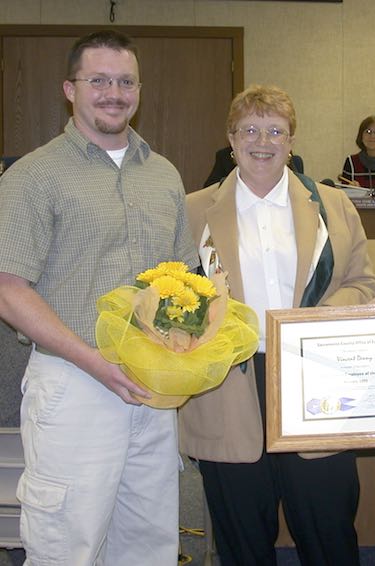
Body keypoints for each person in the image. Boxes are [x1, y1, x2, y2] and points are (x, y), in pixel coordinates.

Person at [0, 30, 199, 565]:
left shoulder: (163, 174)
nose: (114, 92)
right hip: (74, 384)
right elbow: (8, 290)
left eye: (126, 81)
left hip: (153, 388)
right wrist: (94, 362)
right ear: (70, 89)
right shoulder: (33, 176)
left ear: (139, 89)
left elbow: (184, 279)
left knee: (149, 540)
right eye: (99, 80)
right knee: (68, 543)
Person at [178, 84, 375, 566]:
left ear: (292, 141)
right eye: (249, 129)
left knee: (329, 530)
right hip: (229, 388)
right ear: (230, 139)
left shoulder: (334, 205)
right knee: (243, 540)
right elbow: (172, 298)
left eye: (276, 130)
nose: (262, 140)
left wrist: (319, 319)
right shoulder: (191, 211)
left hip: (315, 385)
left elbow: (363, 282)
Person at [202, 144, 304, 187]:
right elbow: (211, 194)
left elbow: (298, 186)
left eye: (274, 132)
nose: (262, 141)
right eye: (251, 131)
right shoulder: (224, 156)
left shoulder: (282, 152)